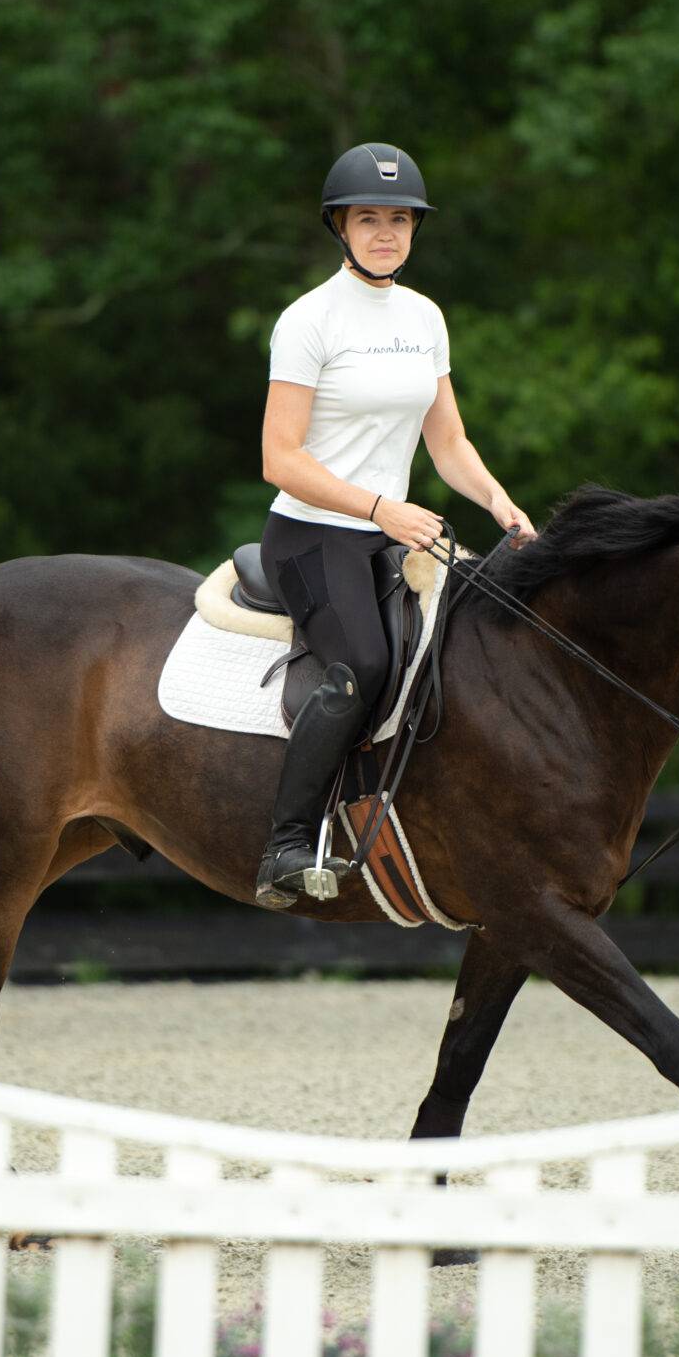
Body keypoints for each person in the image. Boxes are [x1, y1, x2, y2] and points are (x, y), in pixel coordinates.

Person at [255, 141, 536, 910]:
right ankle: (284, 844)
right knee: (366, 665)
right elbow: (279, 458)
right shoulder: (308, 320)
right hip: (315, 533)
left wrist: (499, 503)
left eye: (401, 219)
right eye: (369, 218)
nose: (387, 232)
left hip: (398, 532)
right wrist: (381, 508)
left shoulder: (424, 317)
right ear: (339, 226)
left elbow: (446, 441)